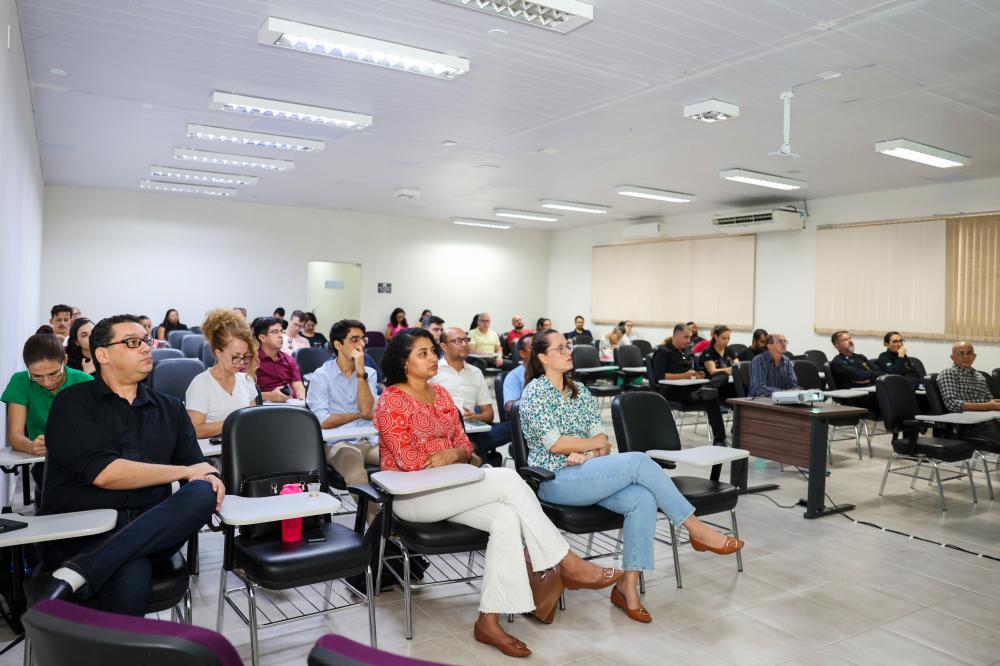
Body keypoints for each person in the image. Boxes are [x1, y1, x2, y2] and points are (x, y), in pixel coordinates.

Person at [373, 328, 622, 658]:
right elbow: (408, 461)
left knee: (506, 518)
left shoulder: (443, 396)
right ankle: (568, 563)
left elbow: (465, 446)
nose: (434, 357)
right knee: (505, 479)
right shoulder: (390, 400)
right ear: (402, 362)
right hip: (414, 498)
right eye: (423, 353)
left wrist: (451, 455)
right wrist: (450, 454)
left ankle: (488, 621)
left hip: (453, 487)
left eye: (433, 350)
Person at [520, 330, 744, 624]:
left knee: (643, 498)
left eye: (568, 346)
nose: (568, 351)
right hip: (554, 478)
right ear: (541, 357)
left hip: (586, 472)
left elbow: (602, 439)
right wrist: (589, 446)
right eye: (560, 348)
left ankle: (628, 587)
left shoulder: (579, 391)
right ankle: (695, 527)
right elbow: (556, 445)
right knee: (638, 462)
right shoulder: (535, 393)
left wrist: (589, 451)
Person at [39, 314, 223, 615]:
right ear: (103, 354)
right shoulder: (72, 403)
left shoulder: (170, 409)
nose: (146, 348)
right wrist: (188, 471)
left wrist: (209, 477)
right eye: (133, 342)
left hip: (152, 528)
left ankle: (85, 569)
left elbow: (198, 466)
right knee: (131, 570)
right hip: (83, 532)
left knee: (203, 492)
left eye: (146, 341)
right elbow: (105, 474)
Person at [305, 319, 380, 518]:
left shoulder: (369, 373)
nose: (361, 345)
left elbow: (369, 411)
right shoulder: (321, 376)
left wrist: (361, 373)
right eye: (354, 339)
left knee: (402, 461)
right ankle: (378, 532)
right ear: (338, 345)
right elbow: (323, 421)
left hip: (371, 440)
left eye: (363, 339)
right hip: (339, 443)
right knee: (356, 474)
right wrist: (358, 415)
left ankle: (401, 520)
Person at [2, 334, 94, 488]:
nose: (46, 382)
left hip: (83, 454)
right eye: (36, 376)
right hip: (45, 460)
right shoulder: (20, 381)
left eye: (53, 374)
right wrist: (31, 446)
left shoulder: (84, 381)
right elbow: (14, 435)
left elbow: (96, 427)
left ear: (64, 360)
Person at [431, 327, 505, 461]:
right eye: (458, 341)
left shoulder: (476, 372)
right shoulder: (433, 371)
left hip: (473, 428)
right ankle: (472, 452)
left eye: (466, 340)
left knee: (512, 427)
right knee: (481, 455)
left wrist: (476, 416)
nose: (465, 344)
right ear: (443, 346)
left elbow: (489, 414)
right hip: (444, 431)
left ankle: (470, 449)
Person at [185, 309, 258, 439]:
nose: (241, 362)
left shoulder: (246, 380)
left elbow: (253, 421)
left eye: (245, 356)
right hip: (213, 455)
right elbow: (194, 429)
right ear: (218, 352)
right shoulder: (201, 384)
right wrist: (236, 422)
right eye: (235, 356)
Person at [651, 324, 727, 444]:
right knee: (711, 397)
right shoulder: (662, 352)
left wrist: (698, 374)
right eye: (686, 337)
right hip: (674, 392)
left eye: (689, 337)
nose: (689, 341)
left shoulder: (686, 353)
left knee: (722, 376)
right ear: (676, 336)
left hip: (693, 388)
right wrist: (684, 376)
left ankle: (706, 389)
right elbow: (658, 377)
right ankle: (720, 440)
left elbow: (692, 371)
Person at [936, 341, 1000, 446]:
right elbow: (952, 404)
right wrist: (988, 406)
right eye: (960, 353)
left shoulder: (979, 376)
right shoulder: (948, 373)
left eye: (969, 353)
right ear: (953, 357)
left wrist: (992, 404)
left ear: (974, 356)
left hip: (987, 421)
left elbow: (989, 401)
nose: (965, 356)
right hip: (967, 426)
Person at [252, 317, 305, 401]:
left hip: (289, 405)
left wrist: (302, 400)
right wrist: (269, 396)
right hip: (262, 408)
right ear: (262, 338)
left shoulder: (289, 360)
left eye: (281, 331)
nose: (280, 336)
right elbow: (245, 393)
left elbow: (299, 388)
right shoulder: (252, 360)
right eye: (274, 332)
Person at [829, 331, 884, 406]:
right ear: (836, 345)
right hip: (855, 395)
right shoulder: (838, 361)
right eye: (845, 340)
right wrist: (871, 374)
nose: (850, 341)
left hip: (869, 388)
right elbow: (858, 375)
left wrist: (869, 379)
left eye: (850, 338)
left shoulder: (860, 357)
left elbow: (880, 372)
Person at [748, 333, 801, 398]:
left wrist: (799, 391)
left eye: (785, 341)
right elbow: (760, 388)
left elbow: (793, 385)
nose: (784, 344)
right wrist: (784, 393)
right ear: (770, 346)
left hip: (780, 400)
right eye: (780, 341)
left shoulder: (787, 361)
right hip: (758, 401)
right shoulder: (758, 361)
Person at [700, 325, 737, 400]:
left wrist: (734, 369)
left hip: (730, 382)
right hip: (716, 384)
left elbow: (738, 366)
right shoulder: (708, 352)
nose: (726, 341)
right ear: (716, 337)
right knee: (724, 376)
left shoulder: (730, 350)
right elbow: (712, 371)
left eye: (728, 338)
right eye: (723, 338)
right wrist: (730, 370)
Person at [502, 332, 534, 413]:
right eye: (533, 347)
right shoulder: (514, 376)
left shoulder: (550, 372)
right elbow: (511, 407)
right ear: (522, 353)